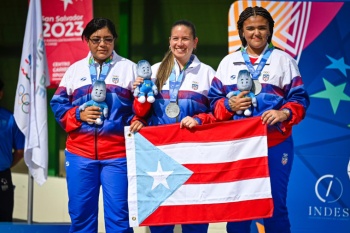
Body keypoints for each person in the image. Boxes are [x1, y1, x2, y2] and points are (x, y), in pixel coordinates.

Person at [208, 6, 310, 233]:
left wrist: (283, 113)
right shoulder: (228, 63)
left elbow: (300, 100)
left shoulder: (284, 61)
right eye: (250, 28)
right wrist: (228, 104)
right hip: (239, 146)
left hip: (274, 144)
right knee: (237, 208)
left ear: (270, 30)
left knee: (275, 207)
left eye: (262, 28)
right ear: (242, 32)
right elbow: (213, 103)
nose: (256, 33)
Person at [50, 18, 142, 233]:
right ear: (86, 40)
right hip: (80, 154)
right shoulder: (74, 70)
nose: (102, 44)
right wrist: (78, 113)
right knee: (81, 217)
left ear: (114, 41)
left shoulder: (129, 69)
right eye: (96, 39)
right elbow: (57, 105)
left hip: (118, 156)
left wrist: (138, 118)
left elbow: (142, 111)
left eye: (108, 39)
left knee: (119, 219)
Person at [133, 20, 216, 233]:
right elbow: (142, 113)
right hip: (160, 155)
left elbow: (217, 113)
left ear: (195, 42)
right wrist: (139, 110)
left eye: (185, 38)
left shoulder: (207, 74)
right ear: (169, 42)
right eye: (176, 38)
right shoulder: (152, 71)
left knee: (194, 217)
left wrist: (199, 120)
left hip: (194, 155)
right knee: (161, 218)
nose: (180, 43)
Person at [0, 79, 25, 222]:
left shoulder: (10, 119)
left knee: (4, 221)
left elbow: (20, 151)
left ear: (1, 94)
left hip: (3, 176)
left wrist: (5, 165)